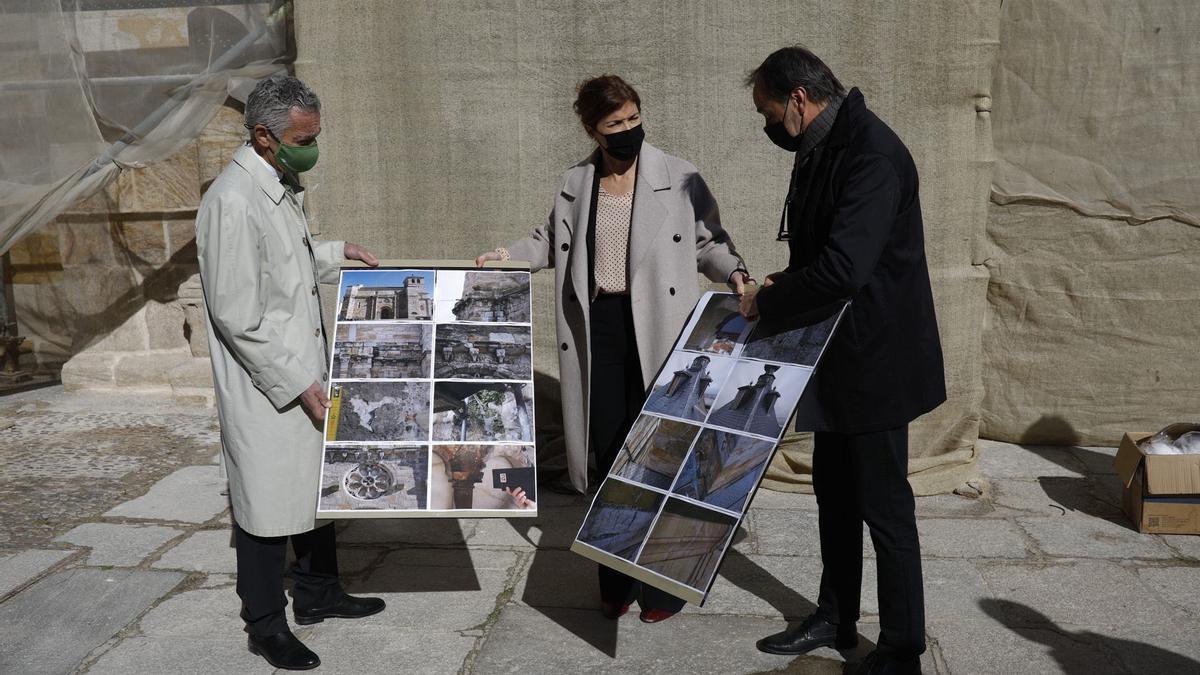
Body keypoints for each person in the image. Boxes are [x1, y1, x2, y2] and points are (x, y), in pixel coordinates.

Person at [476, 75, 751, 624]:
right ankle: (614, 577)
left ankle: (661, 588)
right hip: (596, 328)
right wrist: (506, 255)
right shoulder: (576, 180)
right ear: (591, 130)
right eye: (614, 125)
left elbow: (708, 242)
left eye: (632, 119)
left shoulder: (678, 175)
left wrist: (737, 272)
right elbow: (547, 238)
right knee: (608, 452)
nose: (627, 131)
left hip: (659, 325)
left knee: (658, 454)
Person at [739, 47, 946, 675]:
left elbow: (845, 268)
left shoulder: (873, 154)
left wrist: (769, 299)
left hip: (877, 358)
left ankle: (903, 646)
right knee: (833, 492)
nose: (768, 126)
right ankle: (836, 615)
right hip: (834, 352)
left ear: (798, 99)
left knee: (884, 505)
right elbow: (818, 251)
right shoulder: (823, 145)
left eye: (769, 112)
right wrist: (784, 279)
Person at [196, 75, 385, 671]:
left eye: (316, 135)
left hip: (302, 363)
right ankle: (264, 623)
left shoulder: (278, 182)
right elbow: (235, 312)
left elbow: (284, 261)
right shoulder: (231, 199)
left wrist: (337, 253)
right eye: (305, 138)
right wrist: (295, 382)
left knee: (316, 481)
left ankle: (319, 593)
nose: (313, 147)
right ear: (264, 135)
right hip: (268, 377)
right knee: (265, 502)